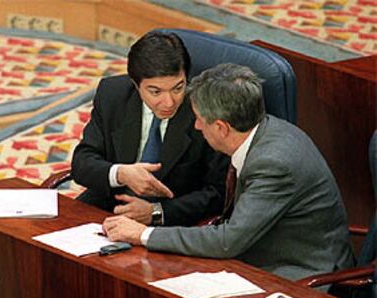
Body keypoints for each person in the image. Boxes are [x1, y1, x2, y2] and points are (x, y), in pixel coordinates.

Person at [103, 63, 355, 281]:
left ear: (222, 127)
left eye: (200, 119)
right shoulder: (264, 131)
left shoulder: (274, 164)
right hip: (258, 251)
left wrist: (143, 234)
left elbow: (228, 241)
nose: (197, 126)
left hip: (301, 273)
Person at [71, 31, 229, 227]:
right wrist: (121, 174)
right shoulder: (113, 94)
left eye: (178, 88)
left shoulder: (207, 109)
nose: (169, 102)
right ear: (136, 85)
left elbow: (219, 192)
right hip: (109, 204)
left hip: (171, 220)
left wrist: (156, 213)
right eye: (156, 92)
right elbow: (82, 162)